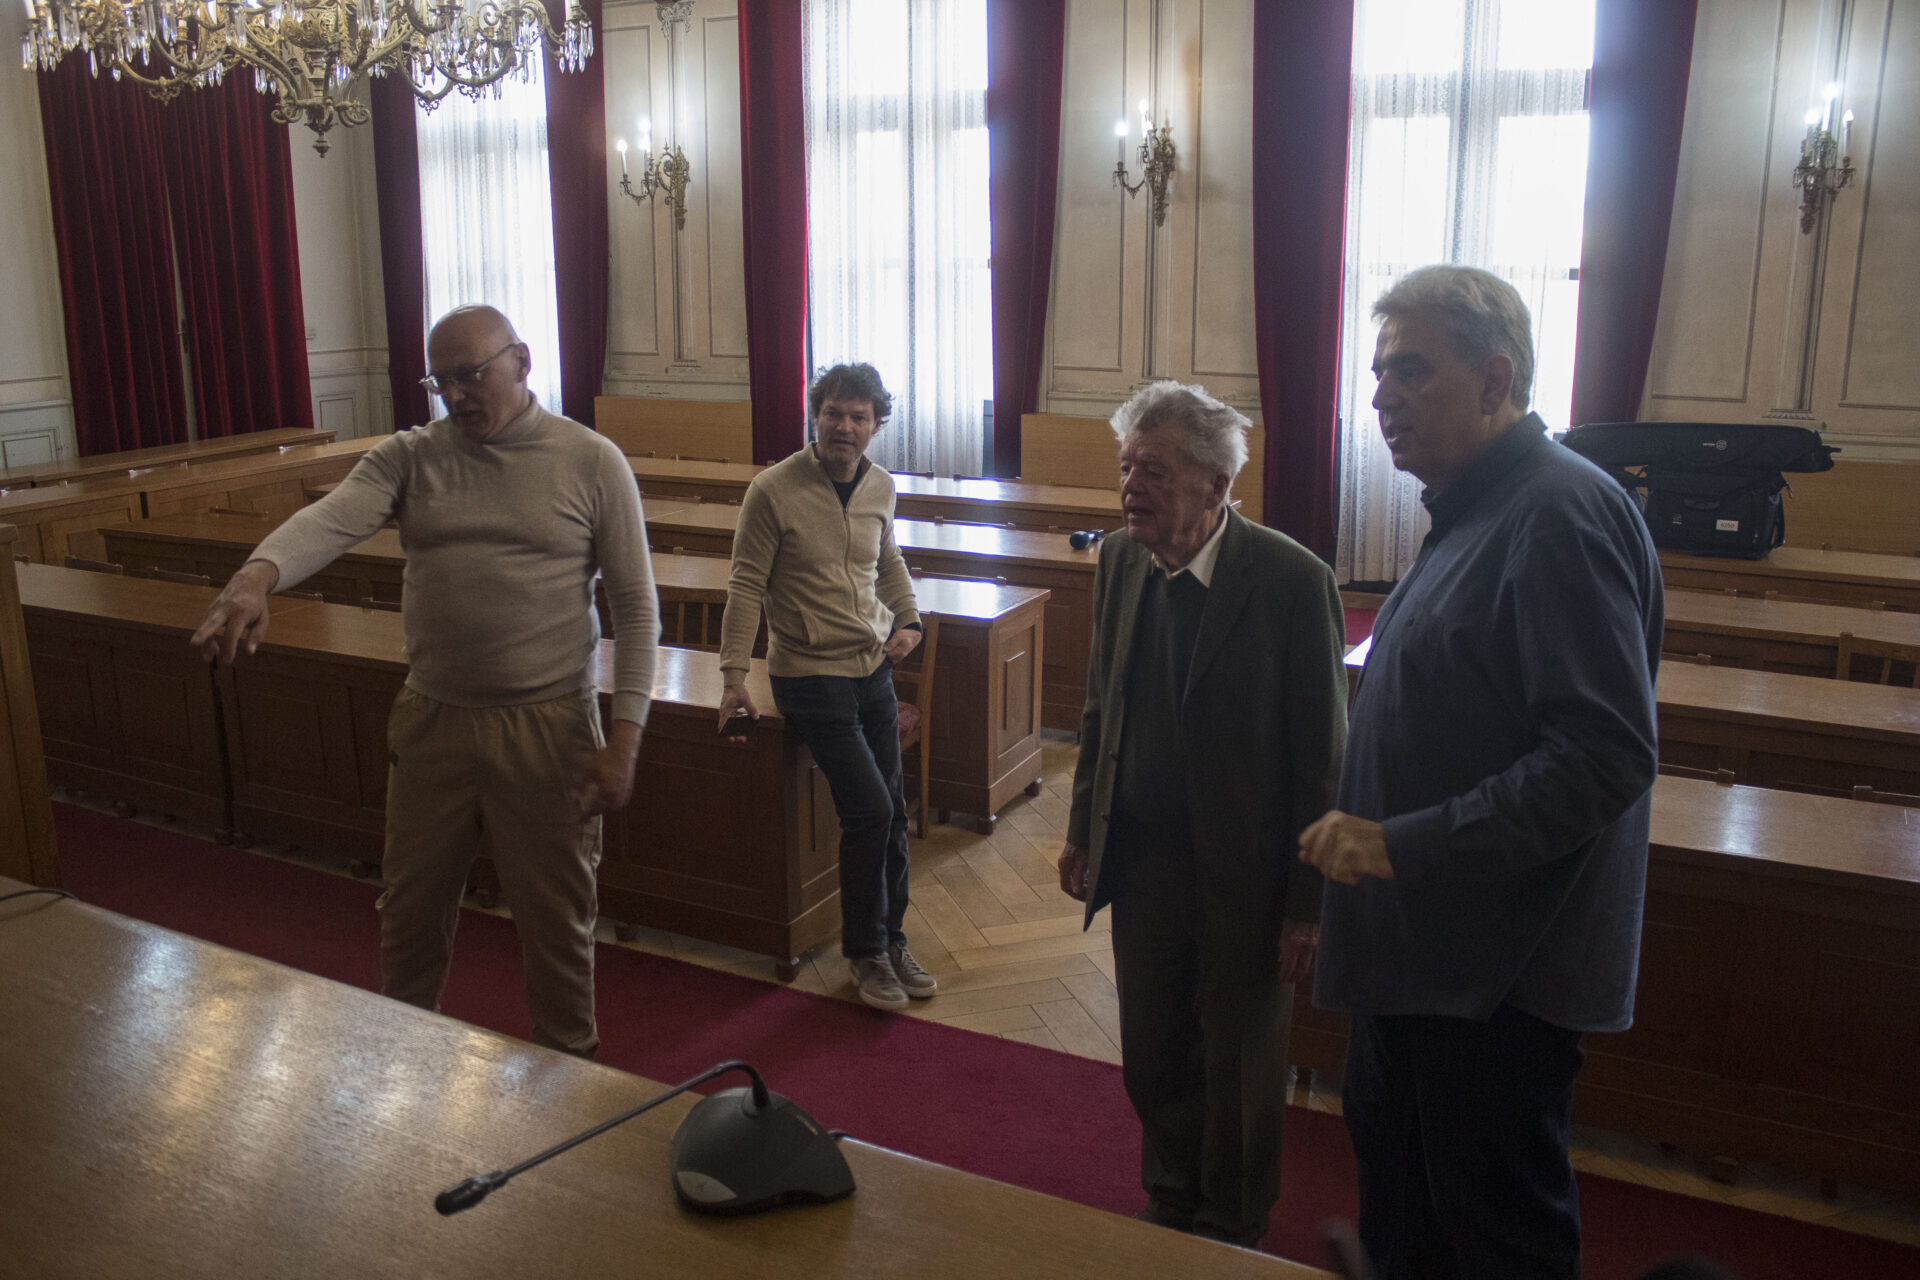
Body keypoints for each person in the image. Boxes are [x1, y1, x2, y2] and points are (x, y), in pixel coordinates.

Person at [1300, 265, 1663, 1278]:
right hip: (1427, 961)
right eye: (1378, 373)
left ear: (1496, 379)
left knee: (1496, 1246)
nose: (1382, 396)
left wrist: (1398, 843)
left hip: (1493, 978)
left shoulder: (1558, 513)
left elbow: (1603, 755)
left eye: (1411, 370)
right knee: (1408, 1225)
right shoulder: (1476, 507)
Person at [190, 305, 659, 1059]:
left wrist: (626, 739)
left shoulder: (591, 461)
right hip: (434, 720)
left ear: (522, 362)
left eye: (471, 375)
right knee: (410, 915)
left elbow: (636, 611)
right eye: (442, 382)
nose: (457, 395)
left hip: (549, 728)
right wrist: (255, 578)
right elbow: (330, 520)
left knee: (557, 924)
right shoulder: (411, 457)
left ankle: (570, 1074)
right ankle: (406, 1073)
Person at [1056, 380, 1347, 1248]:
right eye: (1126, 468)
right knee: (1152, 1050)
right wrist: (1082, 828)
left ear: (1218, 484)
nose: (1130, 487)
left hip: (1246, 871)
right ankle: (1173, 1191)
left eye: (1155, 470)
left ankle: (1233, 1220)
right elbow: (1101, 705)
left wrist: (1308, 903)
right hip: (1143, 855)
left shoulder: (1293, 580)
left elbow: (1322, 757)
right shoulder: (1120, 559)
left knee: (1239, 1061)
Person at [716, 362, 931, 1012]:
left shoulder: (881, 486)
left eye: (858, 416)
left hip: (871, 668)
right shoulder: (773, 490)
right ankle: (864, 953)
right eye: (833, 413)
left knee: (891, 812)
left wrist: (909, 620)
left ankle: (891, 939)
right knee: (870, 809)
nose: (844, 426)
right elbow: (745, 584)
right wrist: (733, 676)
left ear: (875, 425)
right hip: (809, 675)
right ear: (815, 416)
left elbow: (887, 559)